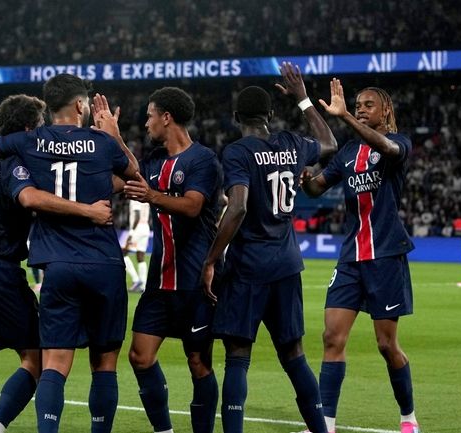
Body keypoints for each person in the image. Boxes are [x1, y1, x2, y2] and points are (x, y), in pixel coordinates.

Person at [0, 73, 140, 433]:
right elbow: (135, 175)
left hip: (57, 266)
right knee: (104, 365)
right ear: (81, 106)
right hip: (104, 264)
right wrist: (114, 134)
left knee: (54, 366)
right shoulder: (101, 143)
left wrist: (16, 148)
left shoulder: (31, 140)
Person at [201, 62, 337, 433]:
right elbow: (329, 144)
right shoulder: (292, 143)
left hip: (248, 267)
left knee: (237, 359)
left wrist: (212, 259)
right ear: (271, 114)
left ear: (235, 117)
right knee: (294, 356)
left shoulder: (237, 152)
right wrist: (305, 100)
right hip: (287, 265)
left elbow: (239, 206)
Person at [301, 79, 421, 433]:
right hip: (352, 257)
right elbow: (317, 186)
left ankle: (408, 417)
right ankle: (325, 423)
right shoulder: (349, 153)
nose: (360, 109)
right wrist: (304, 176)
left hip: (386, 255)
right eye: (357, 105)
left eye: (368, 105)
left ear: (386, 111)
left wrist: (344, 119)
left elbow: (383, 145)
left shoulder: (398, 143)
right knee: (331, 339)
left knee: (386, 345)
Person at [121, 86, 223, 433]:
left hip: (195, 282)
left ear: (167, 117)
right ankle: (164, 431)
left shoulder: (203, 160)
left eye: (150, 115)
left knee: (198, 362)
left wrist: (152, 195)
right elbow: (129, 175)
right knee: (140, 356)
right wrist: (112, 137)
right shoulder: (152, 160)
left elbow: (193, 206)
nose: (146, 122)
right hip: (160, 281)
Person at [123, 199, 151, 292]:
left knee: (122, 254)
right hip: (146, 227)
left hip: (138, 229)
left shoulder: (135, 197)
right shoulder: (144, 195)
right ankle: (143, 284)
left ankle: (136, 280)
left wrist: (131, 233)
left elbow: (137, 216)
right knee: (141, 257)